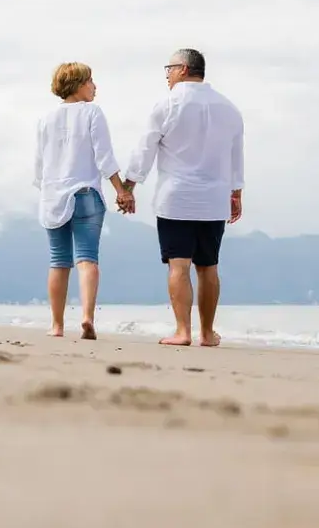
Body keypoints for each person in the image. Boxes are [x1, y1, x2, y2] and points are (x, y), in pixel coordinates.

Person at [123, 48, 244, 347]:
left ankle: (182, 331)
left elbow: (145, 149)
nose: (166, 75)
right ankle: (207, 333)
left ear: (183, 69)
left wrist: (128, 187)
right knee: (209, 267)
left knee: (179, 265)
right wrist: (236, 192)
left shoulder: (167, 104)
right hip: (214, 199)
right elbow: (236, 155)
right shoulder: (229, 108)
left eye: (169, 69)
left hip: (175, 198)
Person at [33, 62, 134, 340]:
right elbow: (105, 158)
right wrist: (121, 191)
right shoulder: (92, 112)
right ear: (77, 85)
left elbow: (39, 166)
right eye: (90, 81)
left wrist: (48, 191)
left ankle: (56, 325)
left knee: (58, 262)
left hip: (53, 196)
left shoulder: (45, 119)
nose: (95, 86)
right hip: (86, 195)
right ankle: (87, 318)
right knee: (87, 259)